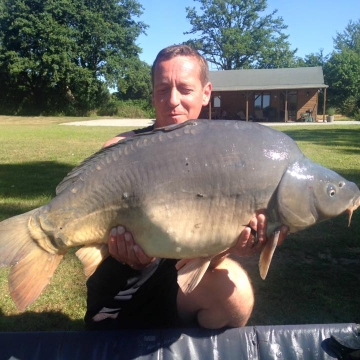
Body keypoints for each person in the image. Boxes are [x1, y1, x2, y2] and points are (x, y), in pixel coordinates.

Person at [85, 44, 288, 330]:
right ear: (152, 92)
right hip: (119, 299)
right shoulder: (121, 151)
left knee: (236, 292)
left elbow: (200, 253)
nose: (173, 101)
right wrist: (121, 252)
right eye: (163, 89)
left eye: (185, 89)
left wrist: (234, 243)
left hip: (177, 291)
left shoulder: (225, 160)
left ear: (206, 93)